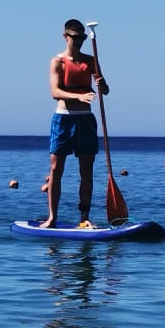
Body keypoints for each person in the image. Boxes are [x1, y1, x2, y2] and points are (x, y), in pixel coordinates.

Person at [39, 18, 110, 228]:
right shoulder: (57, 61)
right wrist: (78, 96)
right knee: (56, 168)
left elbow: (105, 91)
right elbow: (55, 92)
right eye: (75, 37)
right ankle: (52, 217)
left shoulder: (91, 61)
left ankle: (84, 218)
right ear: (65, 37)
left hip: (85, 119)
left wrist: (102, 84)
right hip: (63, 118)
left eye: (82, 38)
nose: (79, 41)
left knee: (86, 170)